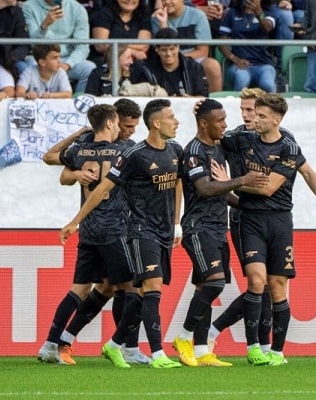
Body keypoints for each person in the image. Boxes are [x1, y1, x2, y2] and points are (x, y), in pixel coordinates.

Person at [203, 88, 316, 357]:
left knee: (274, 285)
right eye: (247, 111)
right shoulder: (238, 138)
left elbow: (300, 175)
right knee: (257, 282)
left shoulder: (287, 144)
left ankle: (270, 349)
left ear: (275, 119)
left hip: (278, 220)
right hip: (245, 217)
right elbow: (207, 138)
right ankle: (250, 345)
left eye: (255, 112)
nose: (250, 117)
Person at [60, 99, 184, 369]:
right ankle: (157, 354)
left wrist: (177, 223)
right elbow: (102, 188)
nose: (176, 122)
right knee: (151, 288)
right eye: (171, 117)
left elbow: (178, 184)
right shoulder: (135, 154)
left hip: (164, 232)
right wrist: (75, 221)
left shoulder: (176, 150)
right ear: (156, 123)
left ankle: (115, 344)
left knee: (138, 292)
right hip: (139, 231)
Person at [172, 99, 270, 367]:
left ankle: (202, 351)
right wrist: (242, 180)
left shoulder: (217, 148)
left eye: (226, 119)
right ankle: (183, 336)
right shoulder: (193, 152)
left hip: (217, 228)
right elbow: (205, 188)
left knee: (205, 287)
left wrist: (248, 205)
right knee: (214, 283)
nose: (225, 125)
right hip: (198, 227)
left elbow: (221, 192)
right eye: (220, 120)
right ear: (204, 123)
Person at [22, 0, 96, 93]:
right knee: (30, 65)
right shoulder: (28, 6)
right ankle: (37, 100)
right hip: (41, 58)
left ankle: (78, 100)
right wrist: (45, 25)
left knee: (89, 68)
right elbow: (34, 44)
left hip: (67, 59)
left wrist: (67, 65)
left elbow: (82, 47)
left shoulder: (77, 8)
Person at [152, 0, 222, 92]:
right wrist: (163, 24)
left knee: (212, 65)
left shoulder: (198, 15)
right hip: (166, 59)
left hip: (192, 59)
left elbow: (203, 52)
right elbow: (164, 49)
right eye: (163, 0)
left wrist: (179, 58)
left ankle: (214, 100)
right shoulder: (157, 18)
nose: (167, 2)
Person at [218, 0, 277, 93]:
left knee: (268, 84)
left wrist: (259, 14)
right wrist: (235, 59)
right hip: (239, 64)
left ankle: (271, 103)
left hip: (264, 64)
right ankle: (238, 102)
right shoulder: (232, 13)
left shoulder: (268, 14)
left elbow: (267, 28)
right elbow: (221, 44)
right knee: (242, 79)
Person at [140, 28, 208, 96]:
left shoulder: (194, 67)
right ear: (157, 50)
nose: (168, 54)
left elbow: (203, 96)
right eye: (164, 50)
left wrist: (189, 99)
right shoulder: (147, 70)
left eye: (172, 49)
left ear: (178, 47)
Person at [89, 0, 151, 66]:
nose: (130, 0)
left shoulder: (143, 15)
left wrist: (116, 45)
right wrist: (131, 51)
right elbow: (101, 46)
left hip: (133, 62)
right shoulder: (105, 13)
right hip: (106, 62)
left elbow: (143, 45)